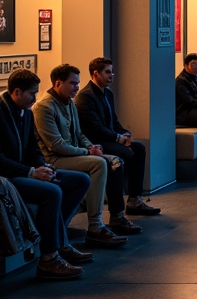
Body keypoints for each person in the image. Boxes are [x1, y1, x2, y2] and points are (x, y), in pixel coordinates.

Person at [1, 68, 92, 279]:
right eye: (32, 93)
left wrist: (44, 166)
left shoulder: (26, 112)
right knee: (52, 192)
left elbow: (34, 148)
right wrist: (31, 172)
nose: (35, 97)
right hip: (8, 178)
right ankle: (49, 259)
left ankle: (60, 241)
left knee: (80, 180)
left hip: (26, 171)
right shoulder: (2, 114)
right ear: (16, 91)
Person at [33, 63, 132, 246]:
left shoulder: (69, 103)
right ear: (57, 83)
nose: (77, 87)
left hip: (73, 155)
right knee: (98, 163)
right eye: (72, 83)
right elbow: (56, 146)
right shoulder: (44, 108)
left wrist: (92, 146)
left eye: (77, 83)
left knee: (113, 161)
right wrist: (88, 151)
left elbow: (79, 134)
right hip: (55, 159)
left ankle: (117, 216)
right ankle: (95, 226)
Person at [75, 56, 161, 216]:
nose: (111, 76)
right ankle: (118, 211)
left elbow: (113, 120)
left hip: (108, 138)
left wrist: (125, 133)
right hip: (95, 143)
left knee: (139, 148)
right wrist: (118, 138)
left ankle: (135, 200)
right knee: (126, 154)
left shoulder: (107, 94)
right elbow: (95, 128)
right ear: (95, 73)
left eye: (112, 72)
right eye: (108, 72)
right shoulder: (86, 96)